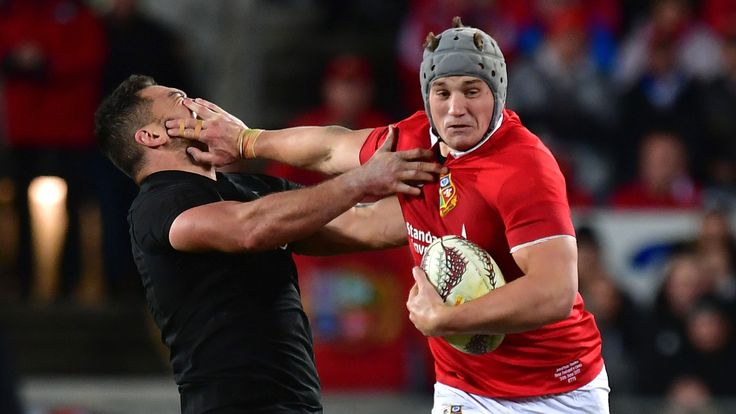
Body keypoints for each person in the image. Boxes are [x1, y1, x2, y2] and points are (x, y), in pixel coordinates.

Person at [168, 17, 609, 413]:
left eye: (472, 92)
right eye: (443, 92)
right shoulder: (416, 139)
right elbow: (329, 148)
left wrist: (444, 321)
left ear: (497, 91)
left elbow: (554, 292)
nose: (456, 109)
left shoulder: (523, 166)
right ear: (426, 94)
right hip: (465, 389)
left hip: (555, 390)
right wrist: (247, 142)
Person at [94, 74, 444, 414]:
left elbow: (365, 224)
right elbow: (248, 228)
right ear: (151, 136)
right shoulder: (157, 204)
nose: (198, 104)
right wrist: (361, 181)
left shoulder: (252, 190)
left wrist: (457, 202)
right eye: (178, 99)